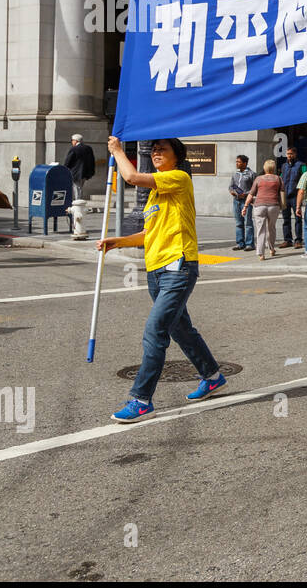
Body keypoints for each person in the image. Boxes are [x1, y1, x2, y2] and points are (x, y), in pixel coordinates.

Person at [97, 138, 226, 421]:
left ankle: (141, 399)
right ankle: (212, 375)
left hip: (178, 267)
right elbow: (148, 234)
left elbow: (130, 176)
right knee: (181, 330)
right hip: (156, 270)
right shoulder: (155, 194)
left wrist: (117, 150)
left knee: (155, 332)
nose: (155, 152)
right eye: (153, 149)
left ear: (176, 157)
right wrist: (117, 242)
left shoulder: (178, 178)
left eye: (162, 149)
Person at [243, 159, 284, 260]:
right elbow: (282, 193)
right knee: (271, 228)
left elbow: (251, 194)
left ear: (264, 168)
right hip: (273, 206)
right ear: (273, 168)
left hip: (259, 206)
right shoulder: (278, 179)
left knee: (261, 230)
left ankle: (261, 253)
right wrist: (283, 206)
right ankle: (271, 248)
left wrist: (245, 206)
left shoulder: (258, 179)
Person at [279, 147, 307, 247]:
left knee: (298, 218)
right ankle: (287, 240)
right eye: (287, 154)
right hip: (285, 196)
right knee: (286, 219)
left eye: (291, 154)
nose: (289, 156)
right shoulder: (284, 166)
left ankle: (298, 240)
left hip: (296, 196)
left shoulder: (302, 165)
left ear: (295, 154)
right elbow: (281, 179)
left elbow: (305, 177)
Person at [228, 154, 256, 251]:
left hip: (246, 201)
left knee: (248, 223)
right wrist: (233, 192)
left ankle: (250, 244)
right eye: (236, 162)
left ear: (245, 163)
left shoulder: (251, 174)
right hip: (236, 200)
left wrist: (246, 194)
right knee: (238, 223)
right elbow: (231, 186)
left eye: (238, 162)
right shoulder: (235, 174)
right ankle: (240, 243)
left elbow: (255, 188)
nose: (237, 163)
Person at [63, 134, 97, 204]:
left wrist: (64, 169)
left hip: (75, 173)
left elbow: (68, 161)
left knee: (76, 189)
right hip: (85, 173)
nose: (72, 142)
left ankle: (77, 204)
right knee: (79, 188)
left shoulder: (74, 149)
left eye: (72, 140)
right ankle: (78, 202)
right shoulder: (88, 148)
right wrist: (91, 172)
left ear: (76, 141)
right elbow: (92, 161)